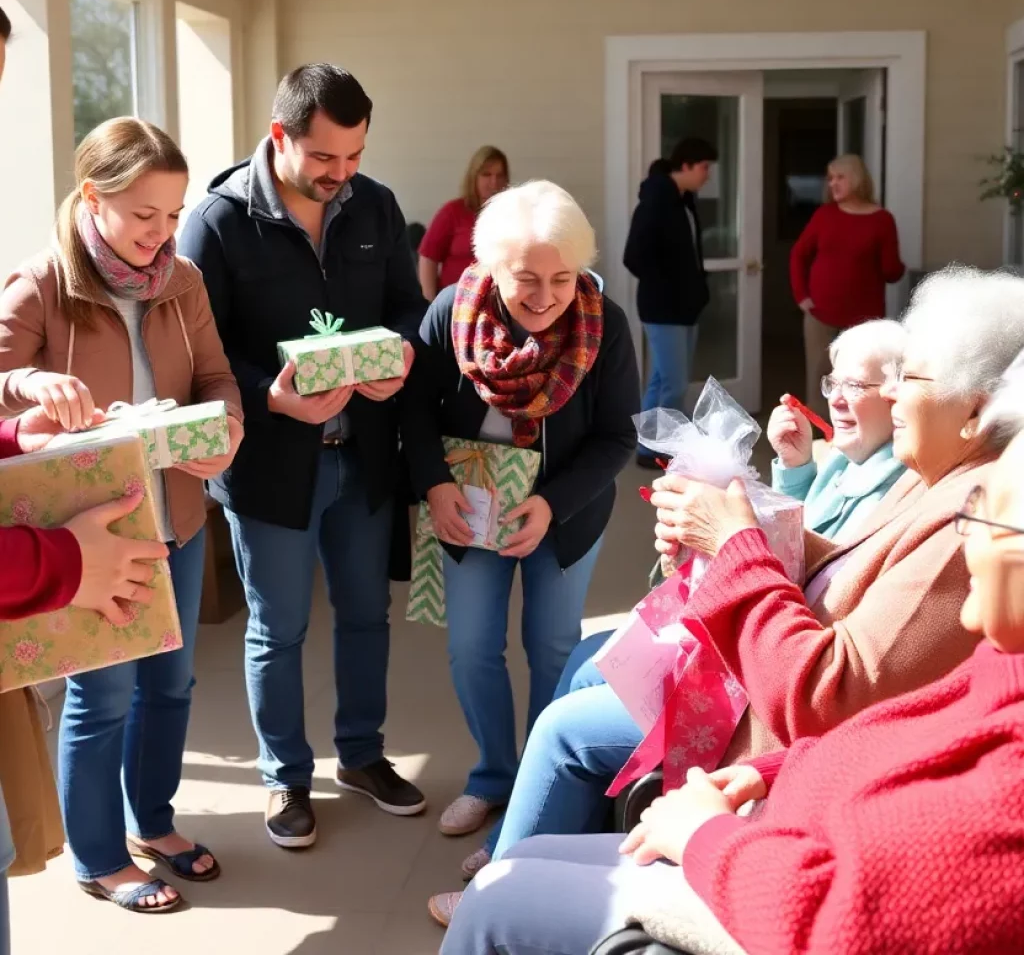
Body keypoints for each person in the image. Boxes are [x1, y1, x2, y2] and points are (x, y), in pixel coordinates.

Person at [429, 265, 1024, 931]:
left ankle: (514, 880)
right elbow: (858, 595)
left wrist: (737, 543)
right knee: (581, 695)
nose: (887, 391)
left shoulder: (965, 517)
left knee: (543, 787)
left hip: (764, 768)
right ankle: (524, 858)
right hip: (775, 764)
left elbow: (828, 700)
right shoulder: (939, 480)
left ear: (975, 411)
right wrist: (736, 528)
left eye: (904, 378)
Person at [178, 63, 428, 850]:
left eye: (354, 156)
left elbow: (407, 309)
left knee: (366, 616)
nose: (342, 175)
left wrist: (400, 357)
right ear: (280, 136)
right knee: (277, 628)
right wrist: (270, 398)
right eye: (325, 159)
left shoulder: (376, 206)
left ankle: (361, 755)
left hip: (364, 457)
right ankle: (284, 778)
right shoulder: (214, 222)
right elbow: (195, 353)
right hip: (269, 465)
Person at [0, 116, 243, 913]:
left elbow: (216, 377)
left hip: (174, 516)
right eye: (145, 215)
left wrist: (226, 430)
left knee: (170, 688)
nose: (162, 232)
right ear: (94, 198)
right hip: (93, 531)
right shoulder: (41, 282)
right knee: (99, 699)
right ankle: (100, 857)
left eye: (173, 215)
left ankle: (156, 823)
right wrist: (29, 385)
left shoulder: (183, 281)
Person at [404, 181, 638, 853]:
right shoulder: (452, 311)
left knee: (553, 648)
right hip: (468, 504)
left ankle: (543, 788)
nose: (544, 296)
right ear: (489, 268)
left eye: (562, 279)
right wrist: (434, 484)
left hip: (563, 512)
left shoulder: (604, 324)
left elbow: (618, 437)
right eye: (527, 278)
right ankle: (493, 775)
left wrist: (551, 503)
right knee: (472, 646)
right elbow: (416, 411)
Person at [767, 318, 905, 539]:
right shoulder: (845, 458)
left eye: (855, 386)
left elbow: (796, 561)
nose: (835, 400)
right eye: (833, 384)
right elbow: (791, 534)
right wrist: (795, 465)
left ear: (898, 397)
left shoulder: (891, 500)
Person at [790, 154, 904, 419]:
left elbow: (891, 271)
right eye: (830, 179)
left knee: (862, 380)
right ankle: (820, 440)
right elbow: (798, 255)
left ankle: (861, 434)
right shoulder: (824, 215)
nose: (833, 184)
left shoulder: (882, 220)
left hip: (864, 321)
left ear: (856, 180)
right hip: (821, 315)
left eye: (840, 177)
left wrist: (897, 267)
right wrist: (801, 296)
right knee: (819, 380)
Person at [625, 141, 717, 468]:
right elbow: (633, 257)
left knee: (662, 380)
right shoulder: (655, 204)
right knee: (675, 385)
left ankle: (647, 446)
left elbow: (691, 253)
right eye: (705, 167)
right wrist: (670, 285)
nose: (708, 175)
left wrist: (695, 289)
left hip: (685, 307)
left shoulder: (685, 203)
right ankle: (660, 449)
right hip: (663, 309)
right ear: (687, 165)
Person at [417, 145, 509, 300]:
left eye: (500, 175)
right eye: (486, 175)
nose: (494, 182)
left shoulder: (514, 214)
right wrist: (429, 303)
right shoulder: (452, 212)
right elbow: (428, 258)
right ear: (474, 177)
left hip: (497, 303)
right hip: (455, 302)